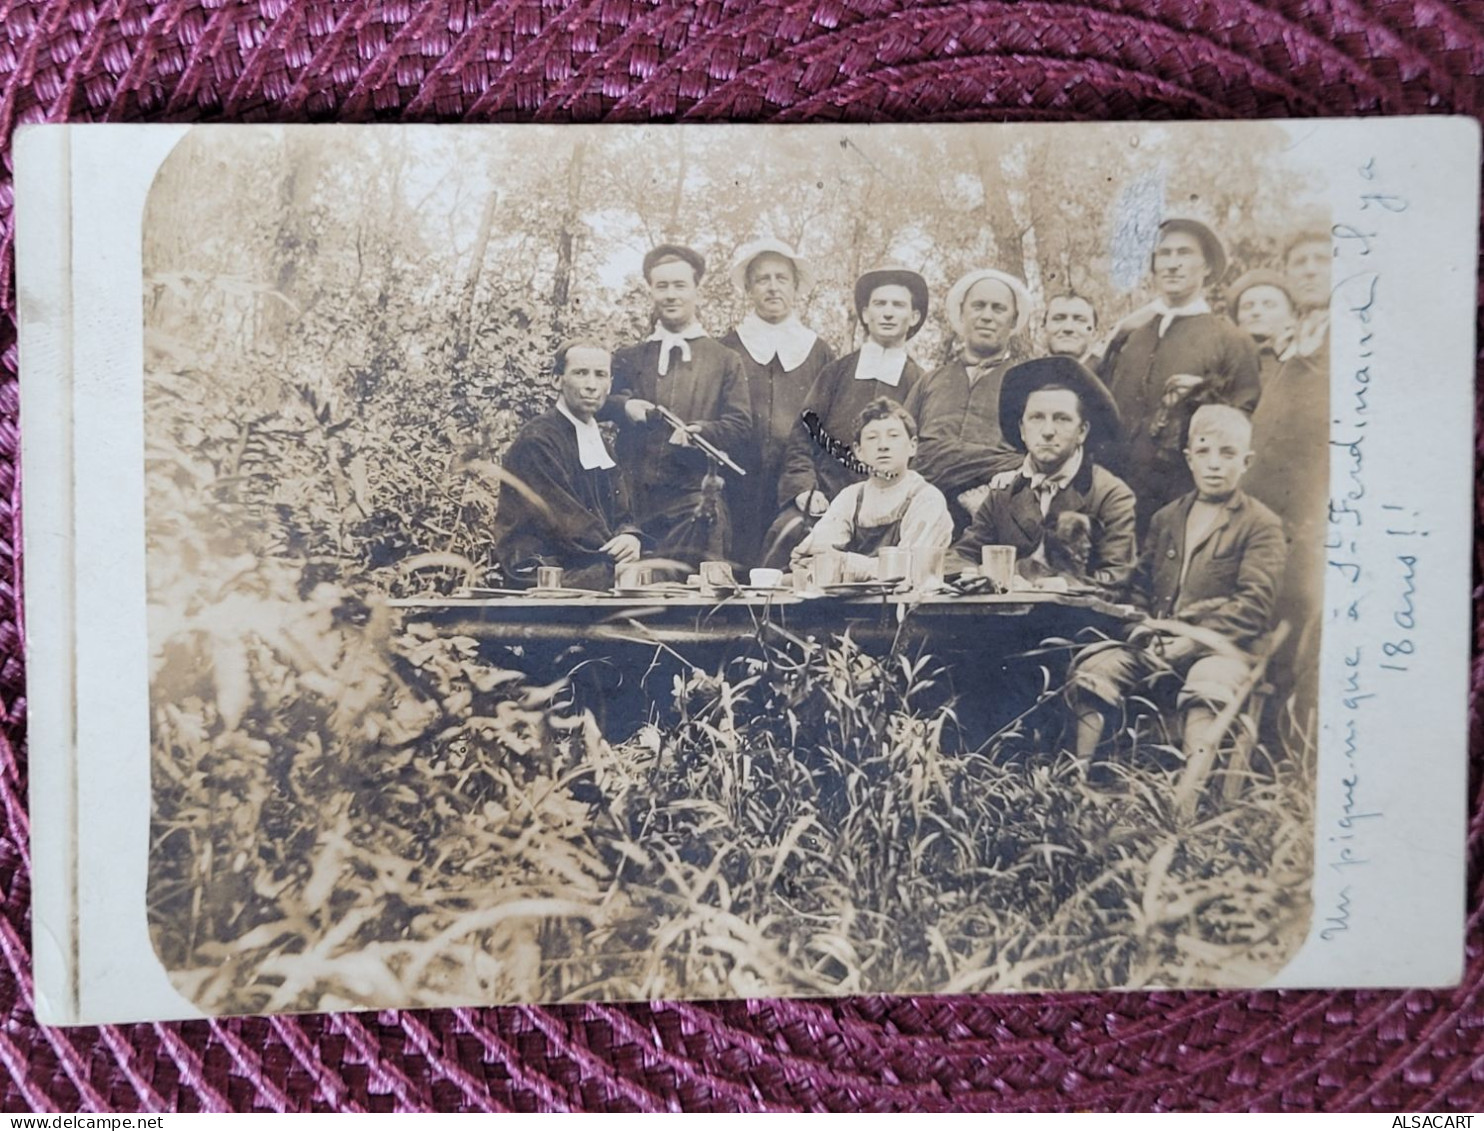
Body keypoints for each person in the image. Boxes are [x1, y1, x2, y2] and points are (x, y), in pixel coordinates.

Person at [1068, 405, 1286, 777]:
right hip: (1159, 642)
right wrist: (1142, 631)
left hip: (1222, 648)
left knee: (1208, 682)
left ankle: (1185, 797)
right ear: (1188, 458)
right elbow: (1138, 589)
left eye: (1227, 453)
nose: (1214, 464)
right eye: (1204, 452)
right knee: (1094, 668)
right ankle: (1078, 777)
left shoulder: (1260, 525)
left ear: (1246, 461)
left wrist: (1193, 641)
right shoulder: (1166, 519)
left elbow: (1253, 605)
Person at [1099, 218, 1262, 535]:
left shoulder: (1232, 340)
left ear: (1207, 268)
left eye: (1184, 254)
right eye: (1164, 254)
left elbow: (1244, 419)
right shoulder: (1129, 335)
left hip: (1186, 502)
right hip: (1115, 499)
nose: (1172, 265)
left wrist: (1204, 400)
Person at [766, 264, 930, 567]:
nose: (888, 313)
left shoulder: (921, 382)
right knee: (786, 534)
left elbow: (922, 453)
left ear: (914, 317)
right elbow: (804, 435)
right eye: (880, 304)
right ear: (866, 314)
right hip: (824, 500)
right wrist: (803, 488)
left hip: (889, 505)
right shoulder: (836, 373)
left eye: (898, 305)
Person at [606, 244, 753, 570]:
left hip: (697, 504)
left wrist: (703, 431)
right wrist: (625, 406)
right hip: (635, 507)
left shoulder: (725, 360)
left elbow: (741, 424)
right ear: (651, 291)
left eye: (680, 286)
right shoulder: (631, 356)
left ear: (696, 290)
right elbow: (599, 401)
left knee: (697, 597)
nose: (671, 295)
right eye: (662, 286)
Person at [945, 356, 1137, 596]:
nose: (1047, 431)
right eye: (1036, 418)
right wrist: (978, 576)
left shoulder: (1109, 494)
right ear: (1022, 430)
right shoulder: (1004, 492)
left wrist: (1066, 585)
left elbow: (1118, 579)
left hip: (1077, 625)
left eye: (1062, 419)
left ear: (1082, 432)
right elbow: (959, 556)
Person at [1243, 231, 1332, 717]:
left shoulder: (1356, 335)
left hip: (1321, 512)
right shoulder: (1287, 343)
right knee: (1276, 625)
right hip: (1274, 512)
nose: (1311, 269)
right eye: (1300, 262)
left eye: (1323, 259)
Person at [718, 239, 835, 567]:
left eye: (781, 278)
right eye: (762, 279)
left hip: (799, 485)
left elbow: (830, 426)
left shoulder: (818, 352)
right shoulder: (727, 348)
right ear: (749, 288)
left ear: (795, 286)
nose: (772, 288)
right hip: (738, 482)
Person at [493, 340, 644, 590]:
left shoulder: (602, 443)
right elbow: (564, 522)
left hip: (588, 558)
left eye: (600, 375)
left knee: (661, 571)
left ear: (610, 384)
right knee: (636, 579)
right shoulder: (537, 441)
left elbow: (623, 512)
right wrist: (616, 555)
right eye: (580, 373)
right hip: (542, 566)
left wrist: (629, 537)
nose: (591, 385)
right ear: (557, 380)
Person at [905, 268, 1031, 533]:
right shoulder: (930, 381)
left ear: (1014, 320)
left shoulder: (1028, 381)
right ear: (962, 314)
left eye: (998, 308)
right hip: (924, 506)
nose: (986, 316)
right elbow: (902, 445)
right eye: (978, 306)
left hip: (994, 506)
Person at [791, 398, 952, 585]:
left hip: (908, 608)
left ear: (912, 446)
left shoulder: (926, 499)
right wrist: (810, 559)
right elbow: (812, 556)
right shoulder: (851, 497)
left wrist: (845, 563)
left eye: (893, 436)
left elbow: (914, 570)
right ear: (859, 451)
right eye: (872, 437)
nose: (883, 445)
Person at [1228, 269, 1298, 386]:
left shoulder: (1305, 362)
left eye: (1269, 305)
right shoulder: (1227, 366)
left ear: (1292, 317)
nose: (1256, 312)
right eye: (1247, 306)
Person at [1042, 292, 1101, 367]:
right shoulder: (1026, 374)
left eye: (1080, 320)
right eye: (1058, 319)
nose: (1068, 328)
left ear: (1094, 333)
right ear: (1044, 329)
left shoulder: (1113, 376)